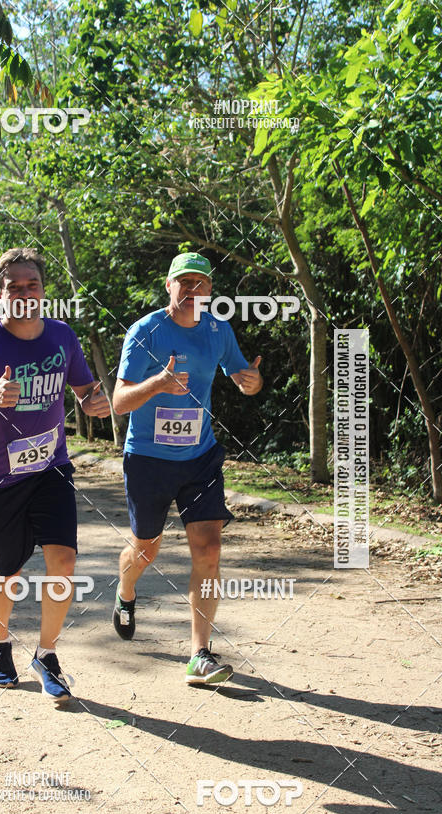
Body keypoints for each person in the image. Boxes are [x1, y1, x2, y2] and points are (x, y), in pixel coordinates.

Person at [0, 247, 110, 702]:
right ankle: (0, 642)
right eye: (14, 286)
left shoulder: (61, 336)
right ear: (0, 293)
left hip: (51, 467)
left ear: (43, 291)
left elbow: (85, 390)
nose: (24, 293)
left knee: (64, 561)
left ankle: (46, 654)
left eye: (32, 285)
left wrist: (92, 402)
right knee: (10, 573)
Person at [112, 252, 263, 685]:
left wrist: (250, 382)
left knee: (209, 551)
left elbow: (242, 376)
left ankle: (200, 654)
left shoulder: (218, 330)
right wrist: (158, 384)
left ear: (211, 290)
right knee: (146, 549)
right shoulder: (146, 332)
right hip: (148, 459)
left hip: (200, 456)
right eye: (185, 282)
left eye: (202, 283)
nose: (194, 290)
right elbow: (120, 401)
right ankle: (125, 593)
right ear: (169, 286)